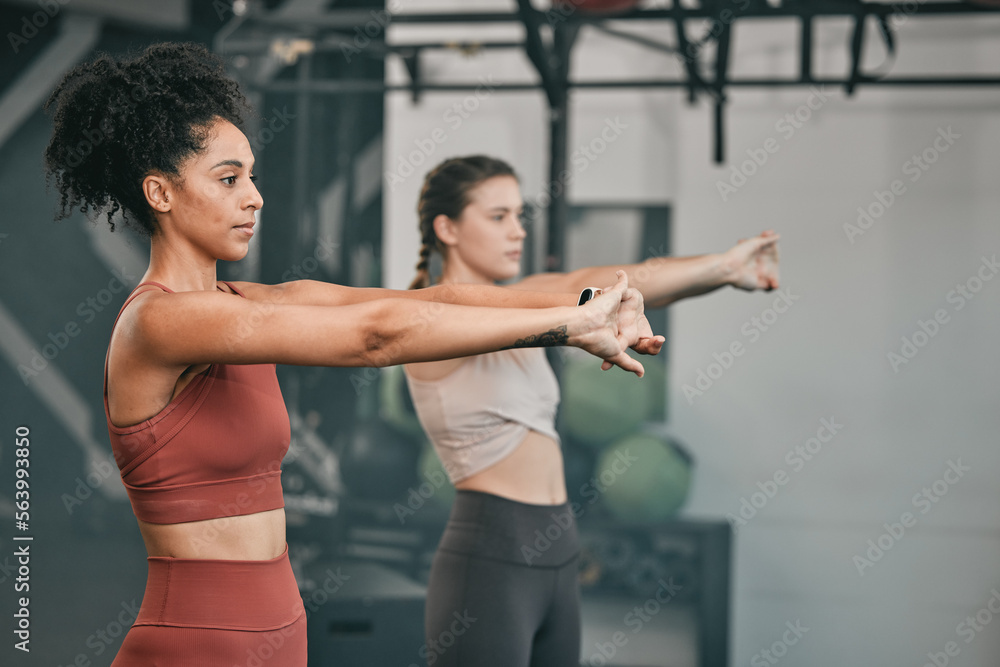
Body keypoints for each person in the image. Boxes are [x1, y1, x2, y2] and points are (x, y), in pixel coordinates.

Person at [43, 44, 662, 665]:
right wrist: (568, 329)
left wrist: (589, 304)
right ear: (160, 192)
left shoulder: (245, 302)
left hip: (282, 631)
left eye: (252, 176)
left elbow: (430, 297)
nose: (255, 197)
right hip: (197, 642)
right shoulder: (159, 322)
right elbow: (377, 337)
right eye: (229, 179)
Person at [404, 155, 780, 667]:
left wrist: (723, 268)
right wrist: (584, 304)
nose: (517, 231)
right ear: (446, 227)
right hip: (493, 557)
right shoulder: (432, 316)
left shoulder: (519, 300)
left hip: (559, 552)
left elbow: (610, 278)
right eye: (498, 217)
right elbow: (507, 304)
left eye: (520, 215)